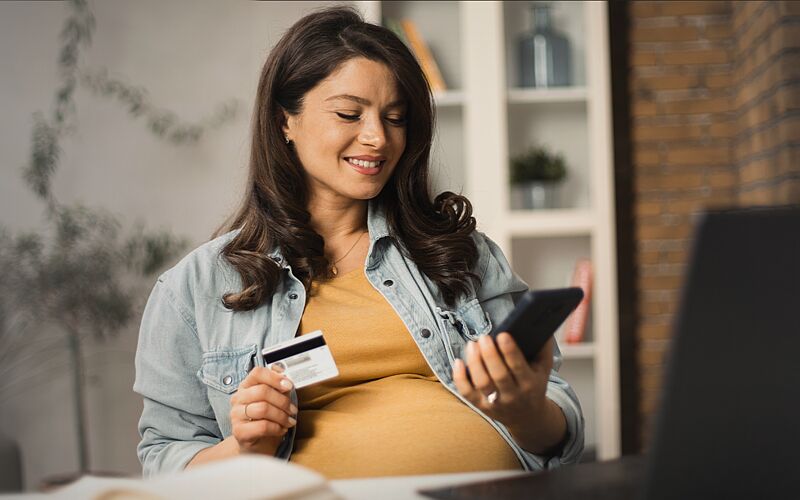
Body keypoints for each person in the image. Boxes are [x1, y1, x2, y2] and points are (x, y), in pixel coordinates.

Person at [134, 6, 584, 480]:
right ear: (285, 120)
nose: (377, 138)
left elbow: (559, 426)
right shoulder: (195, 287)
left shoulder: (458, 251)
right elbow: (165, 462)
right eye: (349, 113)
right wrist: (248, 448)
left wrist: (527, 411)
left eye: (395, 118)